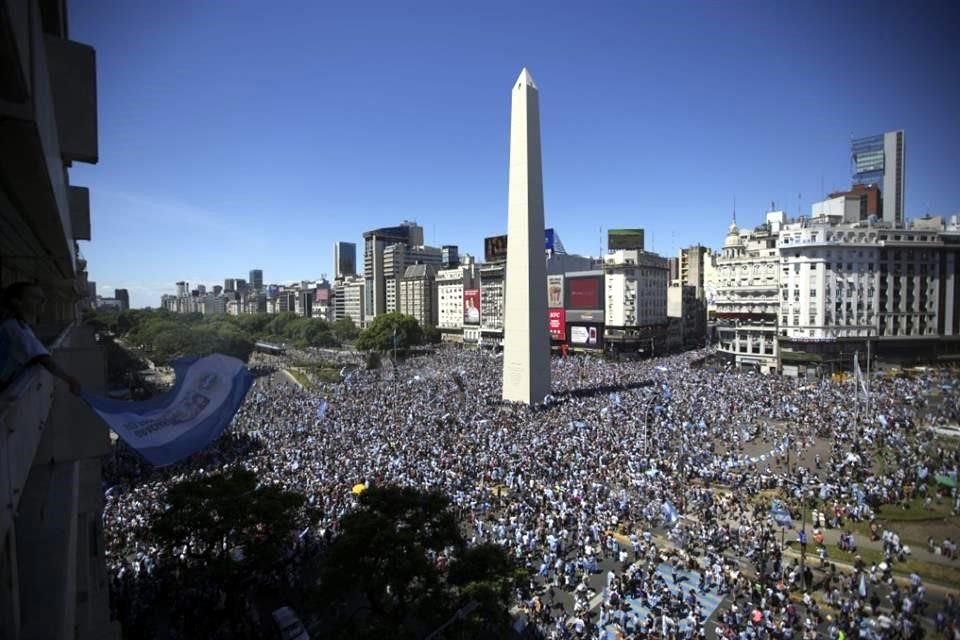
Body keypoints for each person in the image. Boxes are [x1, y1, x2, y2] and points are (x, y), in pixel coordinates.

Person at [0, 281, 81, 395]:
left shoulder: (18, 324)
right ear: (17, 301)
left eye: (43, 298)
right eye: (35, 297)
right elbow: (43, 359)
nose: (43, 302)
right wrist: (69, 379)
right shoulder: (14, 327)